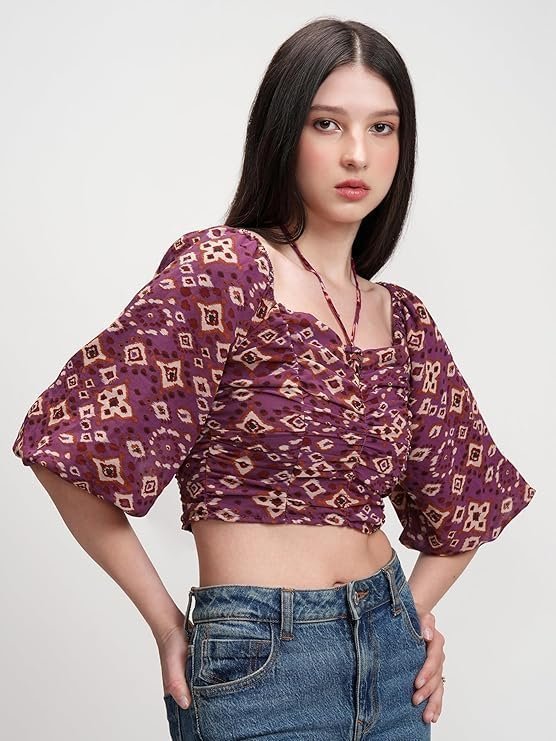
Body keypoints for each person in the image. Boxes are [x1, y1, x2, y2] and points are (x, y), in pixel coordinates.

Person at [12, 17, 536, 741]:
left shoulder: (405, 321)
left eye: (382, 128)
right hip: (259, 667)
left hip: (390, 668)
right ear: (284, 131)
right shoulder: (228, 272)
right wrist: (167, 624)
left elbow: (470, 500)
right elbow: (67, 445)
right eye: (328, 123)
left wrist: (406, 618)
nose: (357, 153)